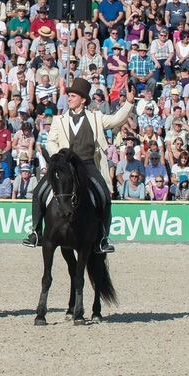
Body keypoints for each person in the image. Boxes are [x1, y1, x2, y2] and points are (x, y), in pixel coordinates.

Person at [21, 77, 135, 253]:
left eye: (73, 96)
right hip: (65, 165)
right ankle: (36, 232)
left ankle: (102, 239)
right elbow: (51, 142)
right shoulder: (59, 119)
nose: (69, 98)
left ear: (83, 99)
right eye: (69, 95)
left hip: (88, 165)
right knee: (38, 192)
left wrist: (128, 103)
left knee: (104, 196)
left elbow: (115, 120)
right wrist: (58, 156)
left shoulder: (96, 117)